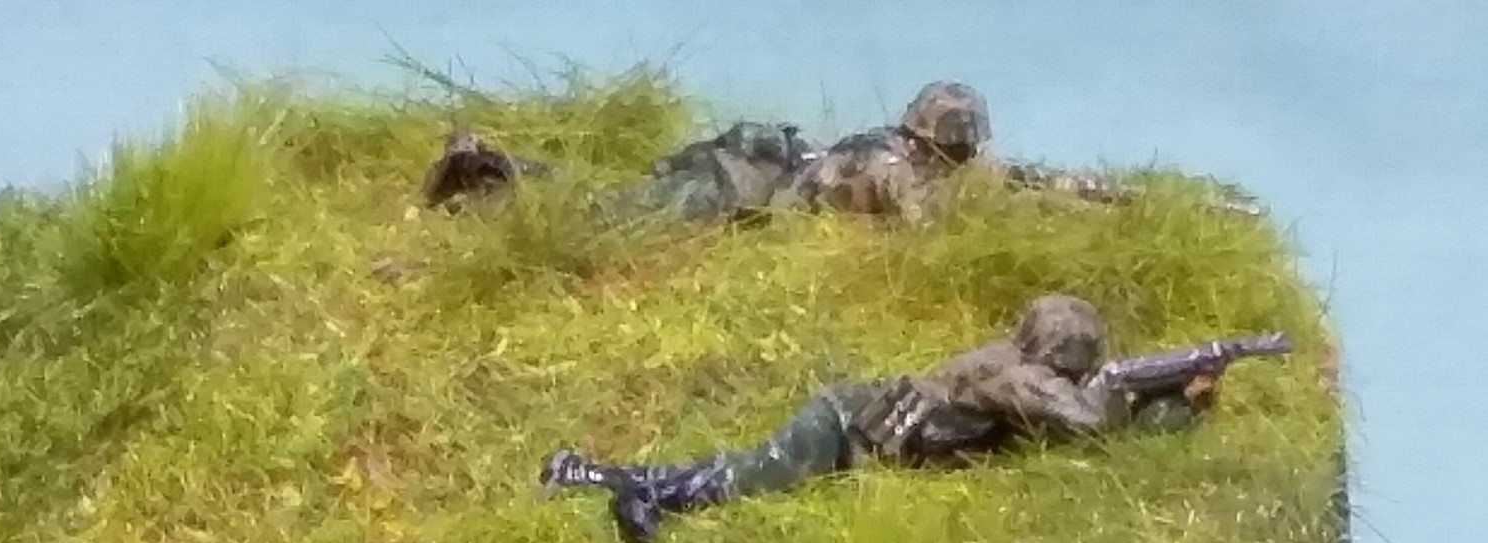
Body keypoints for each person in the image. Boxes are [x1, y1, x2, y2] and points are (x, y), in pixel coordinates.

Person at [538, 296, 1276, 543]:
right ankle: (629, 489)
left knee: (741, 471)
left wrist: (1180, 394)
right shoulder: (1014, 377)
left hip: (869, 434)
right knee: (744, 478)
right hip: (845, 427)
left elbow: (1099, 431)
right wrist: (1124, 383)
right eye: (1087, 357)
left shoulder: (1020, 368)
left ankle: (594, 474)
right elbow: (1088, 425)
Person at [418, 82, 1120, 230]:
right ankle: (482, 179)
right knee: (612, 213)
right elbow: (927, 232)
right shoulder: (894, 170)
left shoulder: (897, 151)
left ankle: (489, 168)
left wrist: (1089, 192)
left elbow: (1011, 176)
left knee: (614, 194)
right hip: (737, 184)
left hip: (750, 165)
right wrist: (1009, 209)